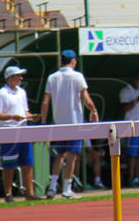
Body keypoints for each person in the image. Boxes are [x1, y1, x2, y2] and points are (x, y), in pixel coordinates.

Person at [40, 49, 100, 199]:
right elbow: (86, 98)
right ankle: (67, 189)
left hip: (59, 123)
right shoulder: (77, 76)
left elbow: (45, 101)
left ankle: (53, 187)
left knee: (59, 155)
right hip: (74, 123)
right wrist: (94, 111)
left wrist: (43, 122)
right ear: (73, 61)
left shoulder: (52, 77)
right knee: (72, 155)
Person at [0, 65, 41, 202]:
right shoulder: (1, 94)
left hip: (24, 130)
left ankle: (29, 193)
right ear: (10, 77)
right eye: (18, 75)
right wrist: (12, 117)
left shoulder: (22, 92)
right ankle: (8, 194)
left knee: (28, 162)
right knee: (9, 164)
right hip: (8, 131)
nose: (21, 78)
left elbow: (24, 111)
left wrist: (32, 117)